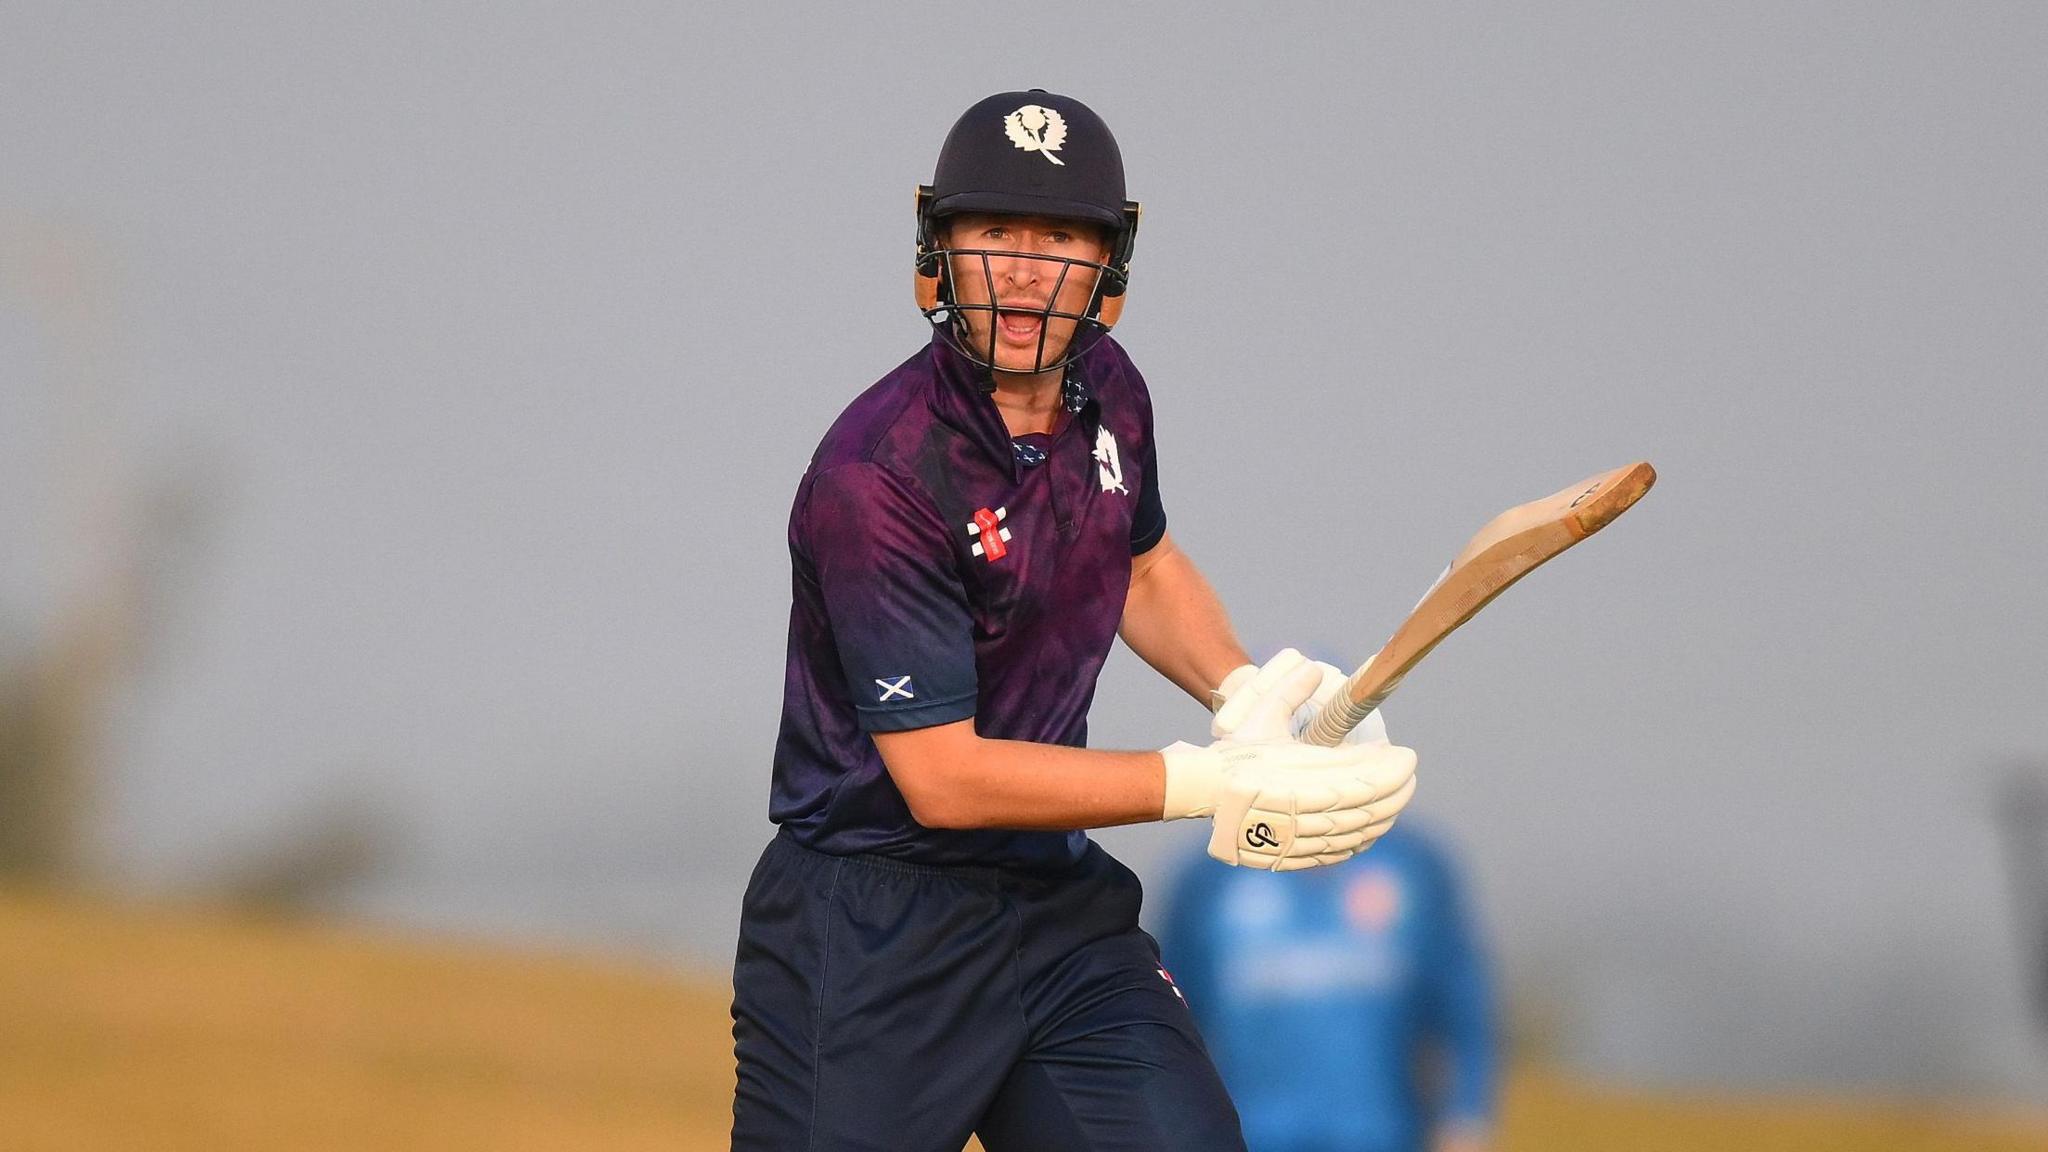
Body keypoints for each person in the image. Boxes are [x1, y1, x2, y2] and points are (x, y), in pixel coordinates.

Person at [729, 89, 1420, 1151]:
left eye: (1060, 238)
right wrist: (1207, 785)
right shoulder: (876, 477)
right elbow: (942, 776)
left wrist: (1247, 696)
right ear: (936, 252)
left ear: (1110, 267)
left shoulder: (1110, 391)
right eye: (993, 233)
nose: (1023, 267)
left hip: (1050, 909)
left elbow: (1139, 565)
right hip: (866, 931)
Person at [1162, 815, 1497, 1152]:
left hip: (1383, 1135)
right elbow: (1167, 1024)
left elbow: (1463, 1010)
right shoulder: (1212, 877)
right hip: (1253, 1135)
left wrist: (1465, 1117)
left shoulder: (1412, 864)